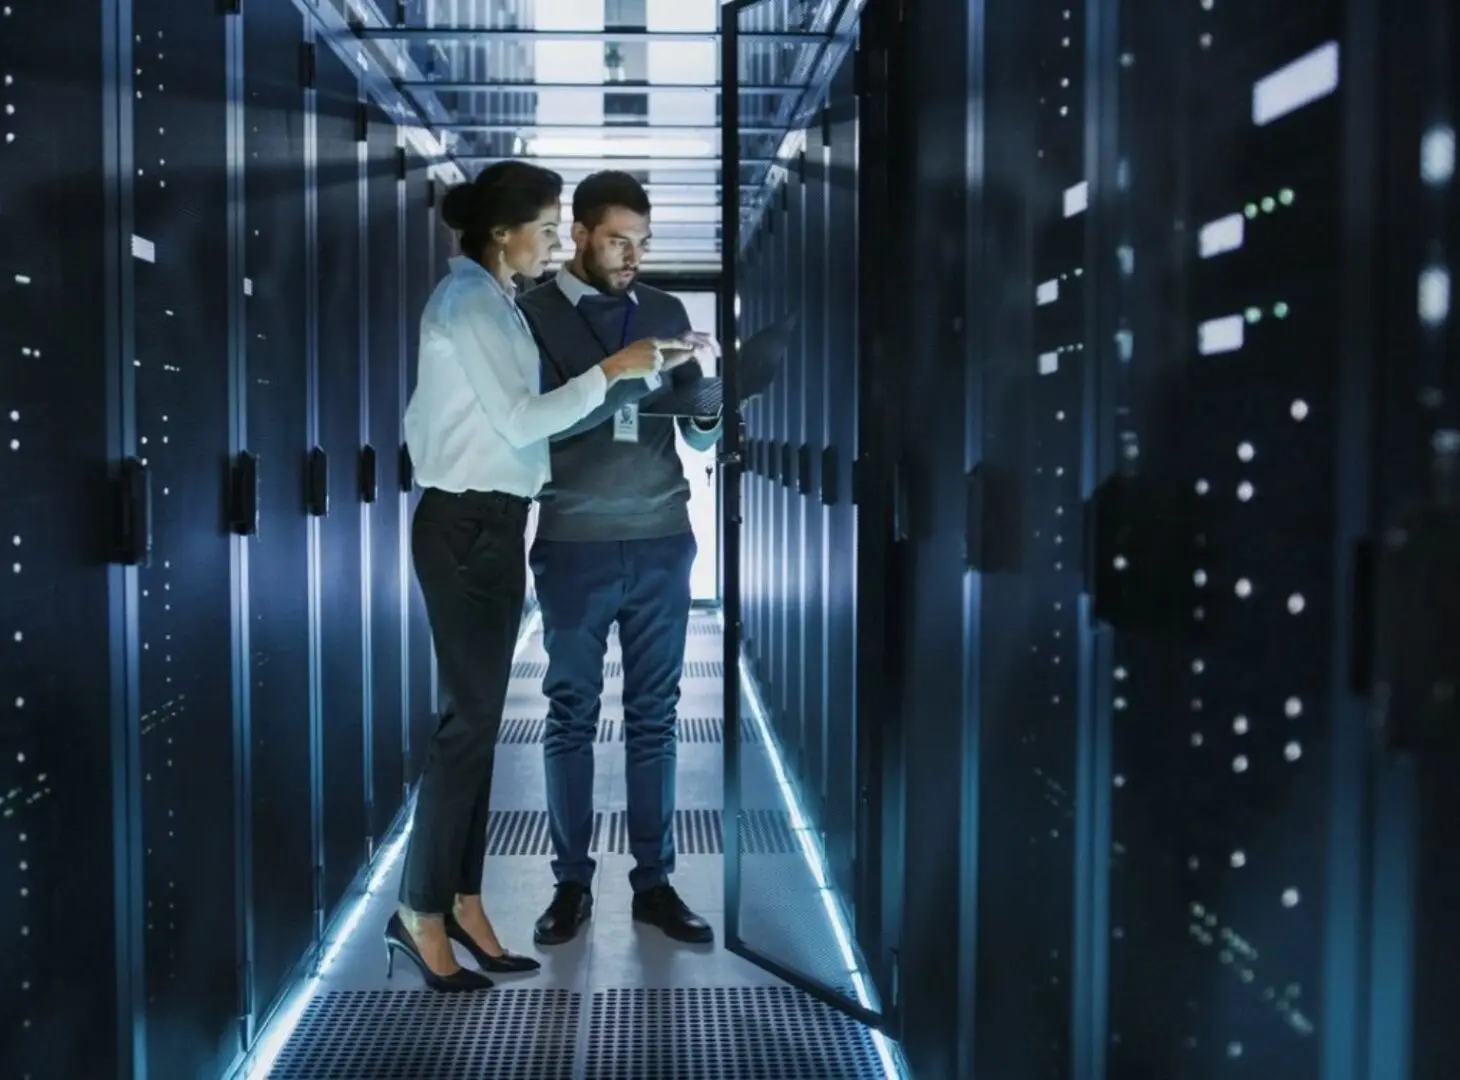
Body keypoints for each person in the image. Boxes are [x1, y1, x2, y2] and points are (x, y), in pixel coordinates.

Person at [387, 161, 691, 992]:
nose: (554, 241)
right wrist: (616, 370)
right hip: (468, 524)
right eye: (549, 228)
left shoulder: (496, 303)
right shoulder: (470, 304)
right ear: (503, 233)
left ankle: (463, 898)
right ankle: (418, 914)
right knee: (468, 728)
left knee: (477, 727)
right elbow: (525, 419)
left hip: (495, 522)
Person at [516, 170, 723, 947]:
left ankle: (656, 883)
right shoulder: (531, 317)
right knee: (570, 715)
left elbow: (696, 435)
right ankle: (570, 885)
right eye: (617, 240)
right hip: (572, 542)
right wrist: (623, 375)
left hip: (664, 535)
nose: (632, 255)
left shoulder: (669, 310)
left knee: (655, 718)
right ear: (577, 233)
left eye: (641, 240)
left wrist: (709, 415)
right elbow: (531, 428)